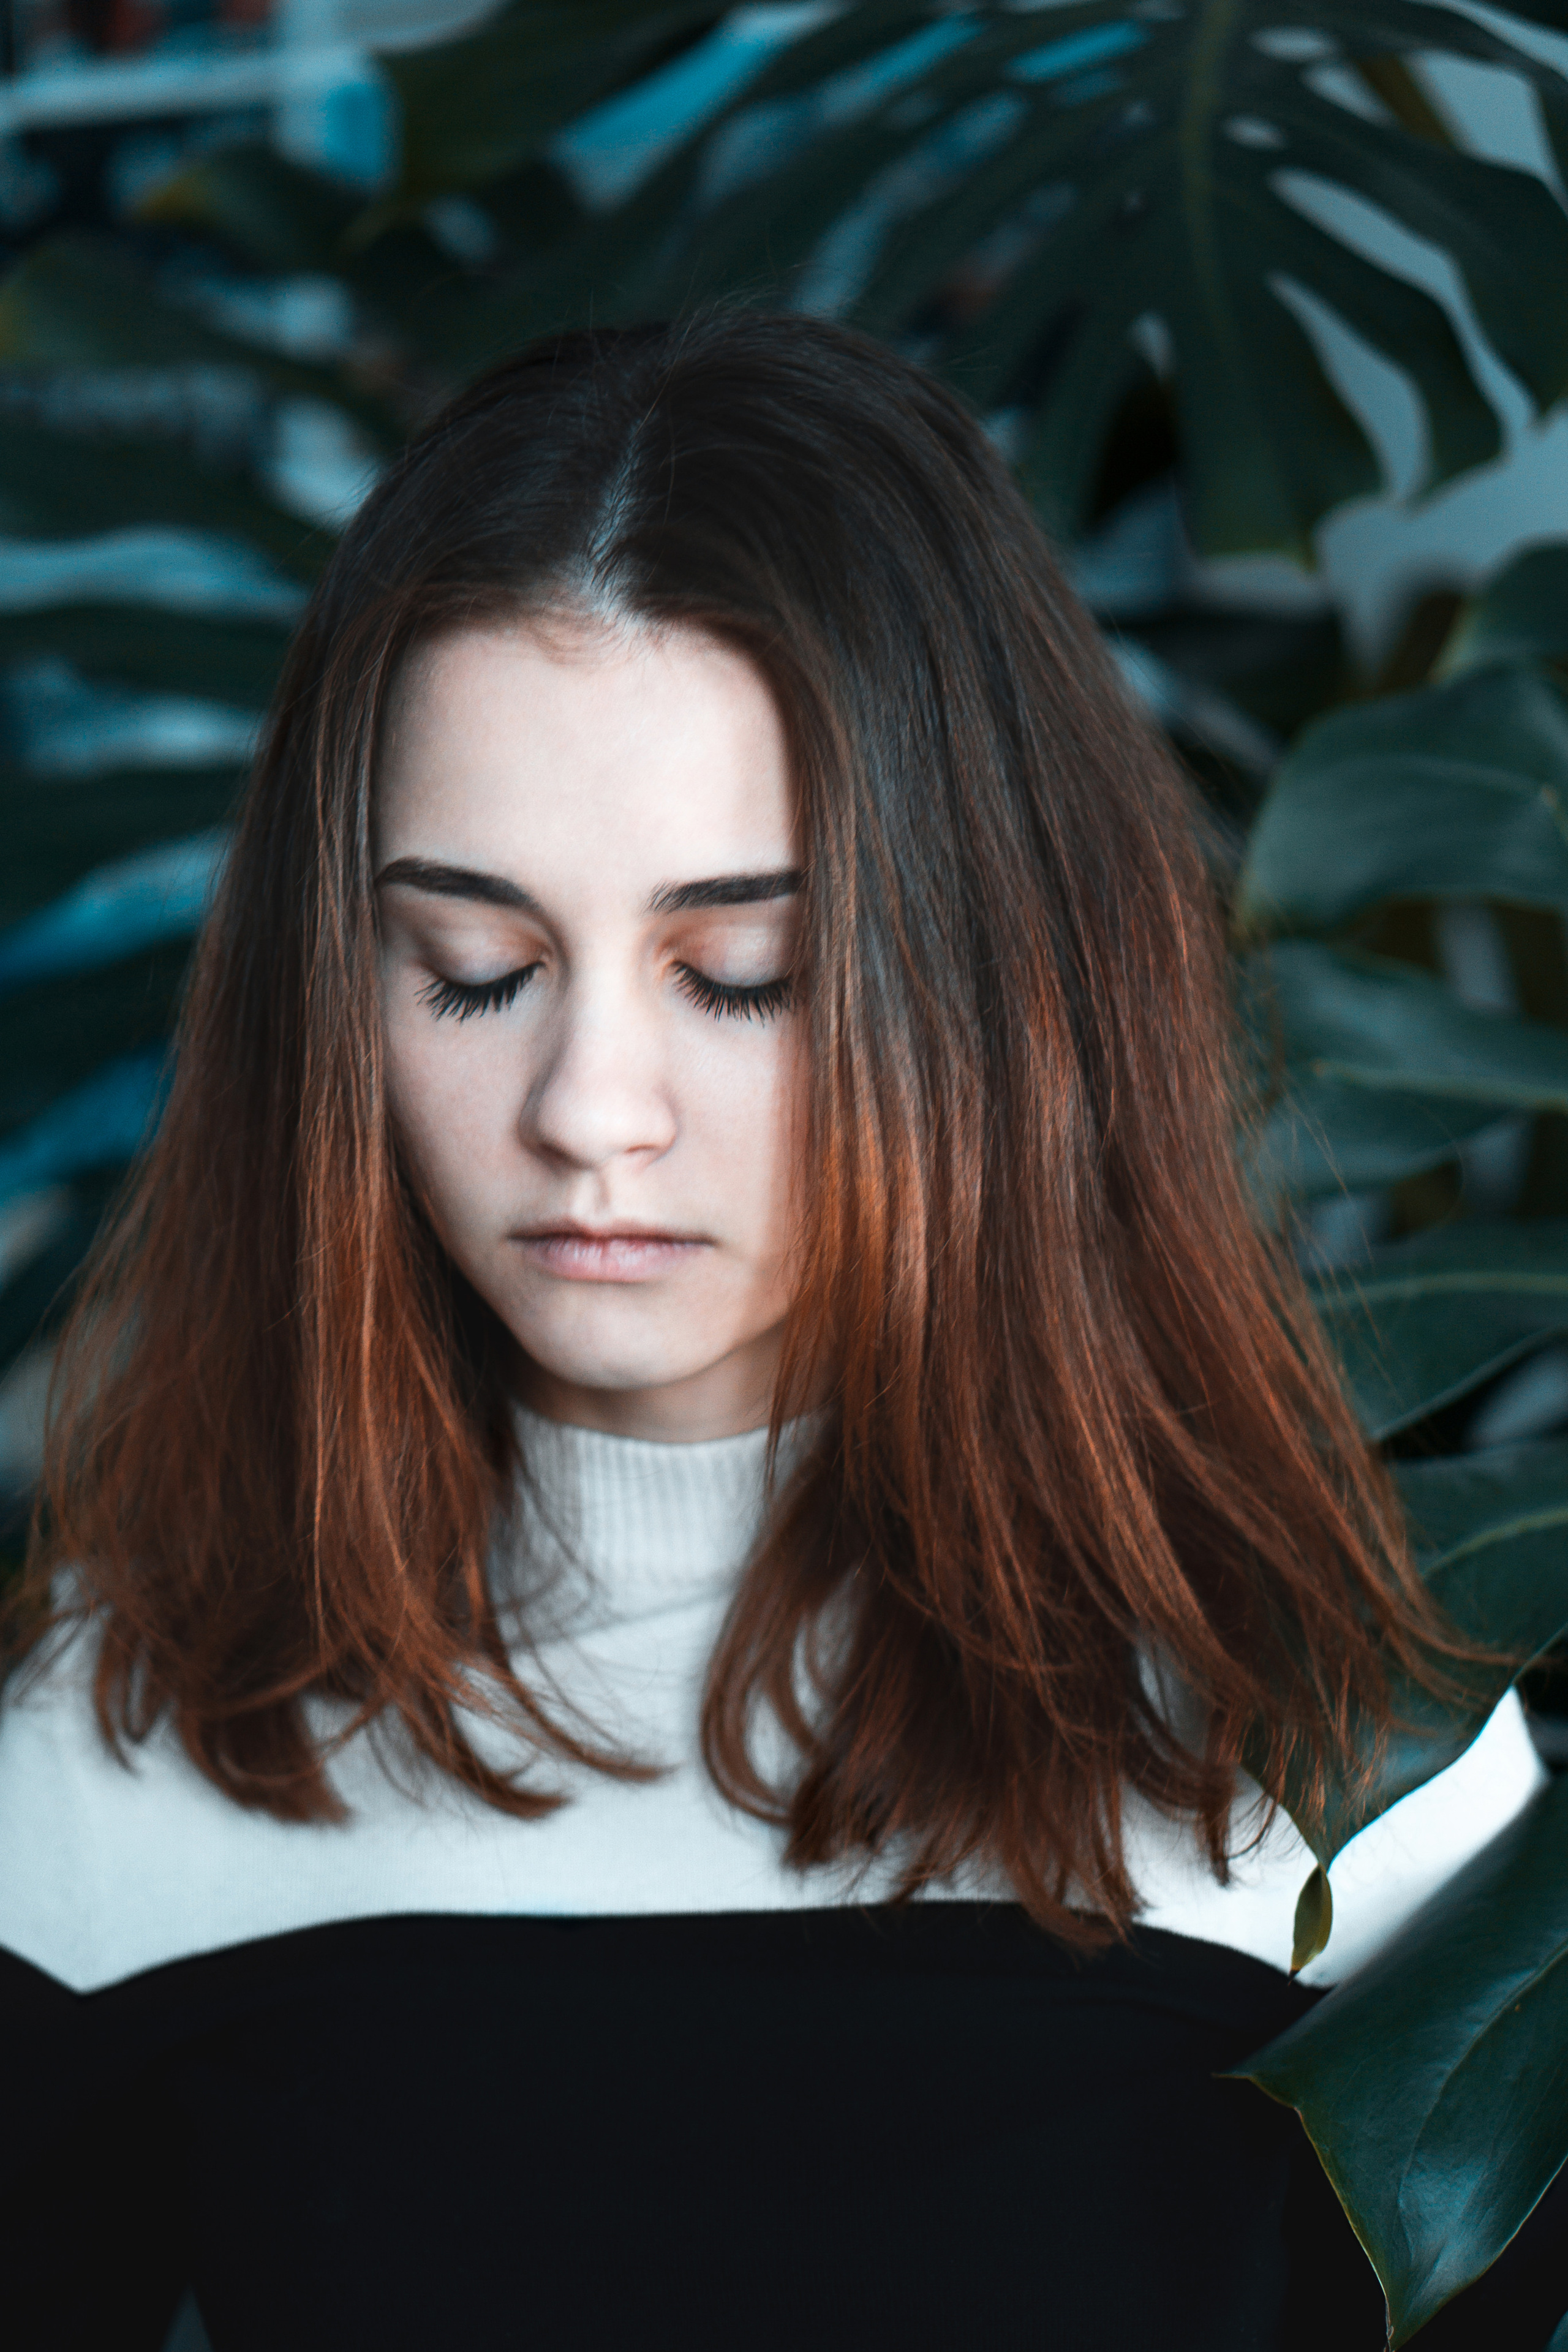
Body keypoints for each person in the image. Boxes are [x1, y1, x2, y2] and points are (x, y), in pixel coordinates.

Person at [0, 314, 1553, 2351]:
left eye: (743, 972)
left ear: (1001, 990)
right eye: (473, 971)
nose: (588, 1110)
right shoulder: (116, 1766)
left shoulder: (1357, 1755)